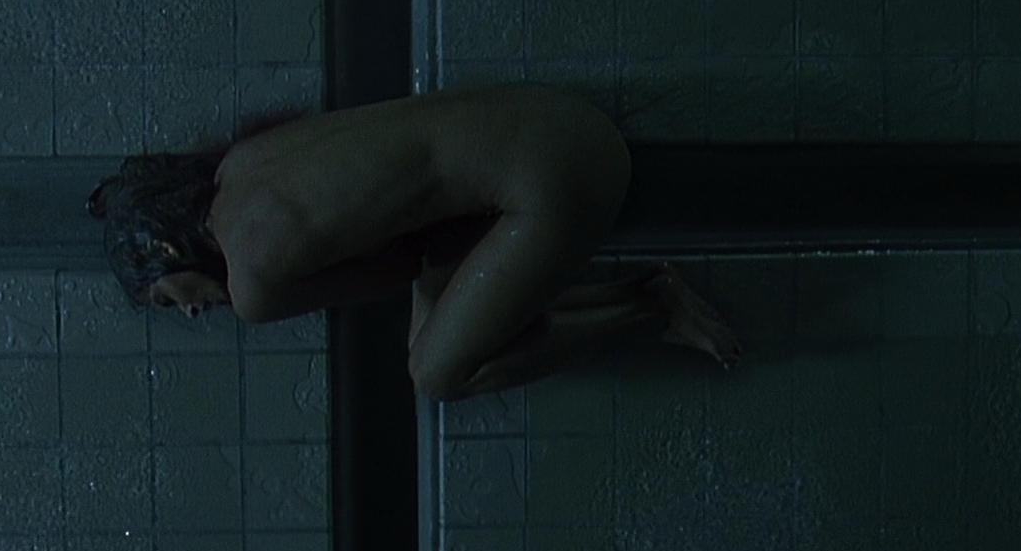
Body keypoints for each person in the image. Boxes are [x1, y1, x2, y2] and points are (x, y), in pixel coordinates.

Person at [88, 82, 740, 401]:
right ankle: (646, 298)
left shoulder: (251, 282)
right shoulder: (243, 165)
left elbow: (401, 264)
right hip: (555, 120)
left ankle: (652, 307)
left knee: (435, 374)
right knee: (435, 339)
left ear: (166, 251)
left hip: (563, 178)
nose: (191, 311)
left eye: (167, 299)